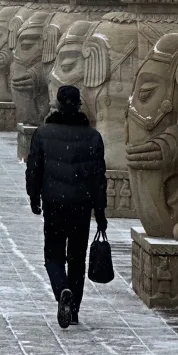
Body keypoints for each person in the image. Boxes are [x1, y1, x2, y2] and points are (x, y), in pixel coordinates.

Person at [25, 84, 107, 329]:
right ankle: (74, 310)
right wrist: (100, 211)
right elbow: (98, 178)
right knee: (77, 259)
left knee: (53, 255)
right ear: (79, 104)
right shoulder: (92, 137)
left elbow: (34, 169)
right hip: (81, 206)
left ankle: (62, 290)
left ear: (57, 104)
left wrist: (34, 197)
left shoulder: (43, 134)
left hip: (54, 204)